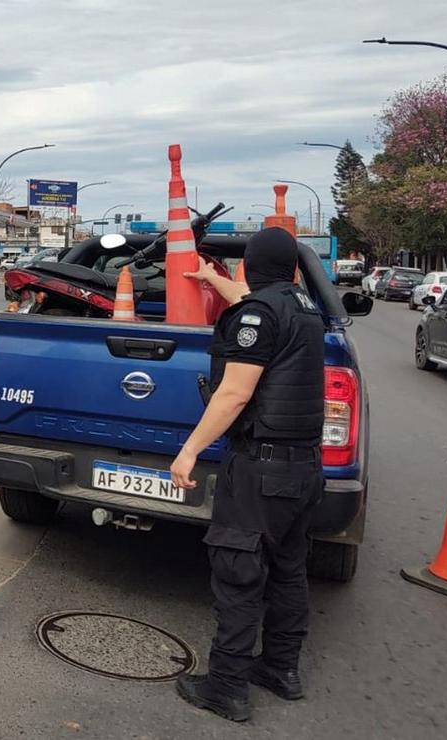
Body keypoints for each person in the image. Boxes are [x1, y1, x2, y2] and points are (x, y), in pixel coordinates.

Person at [169, 227, 326, 723]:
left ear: (251, 266)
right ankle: (281, 669)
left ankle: (226, 688)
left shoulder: (256, 316)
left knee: (238, 574)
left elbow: (235, 394)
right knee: (288, 570)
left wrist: (189, 450)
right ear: (293, 269)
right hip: (303, 469)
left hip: (259, 469)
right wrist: (214, 280)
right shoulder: (301, 307)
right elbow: (255, 303)